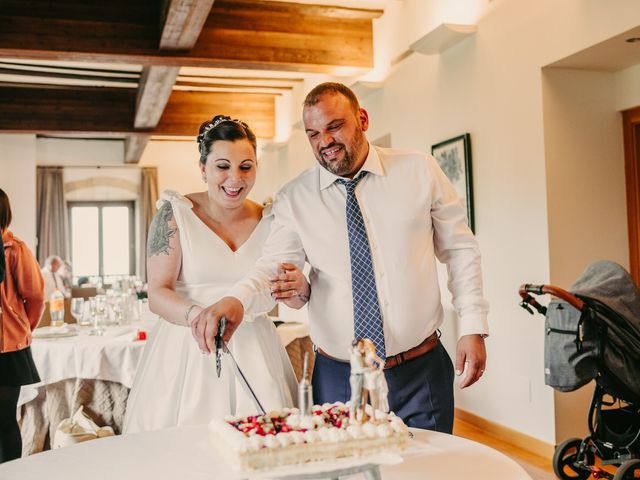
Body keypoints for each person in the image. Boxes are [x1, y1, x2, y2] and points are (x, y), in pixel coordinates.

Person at [191, 83, 489, 433]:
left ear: (362, 119)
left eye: (335, 127)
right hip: (337, 376)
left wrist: (473, 325)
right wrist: (236, 301)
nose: (325, 141)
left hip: (419, 369)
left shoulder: (419, 170)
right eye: (313, 133)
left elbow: (459, 249)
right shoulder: (295, 197)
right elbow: (273, 266)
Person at [123, 116, 308, 433]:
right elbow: (157, 292)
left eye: (246, 167)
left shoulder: (272, 218)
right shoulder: (175, 212)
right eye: (223, 166)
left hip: (256, 349)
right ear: (203, 168)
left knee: (268, 446)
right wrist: (199, 316)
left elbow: (290, 298)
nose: (235, 178)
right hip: (188, 349)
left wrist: (300, 288)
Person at [0, 188, 45, 463]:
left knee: (4, 418)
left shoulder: (14, 249)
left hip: (8, 347)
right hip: (9, 343)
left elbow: (35, 296)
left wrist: (22, 329)